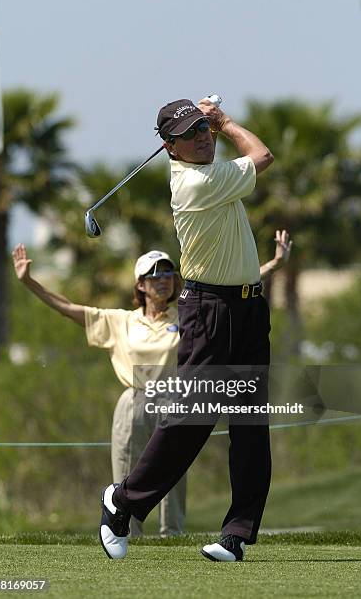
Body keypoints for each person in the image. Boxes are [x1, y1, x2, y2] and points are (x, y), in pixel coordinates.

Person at [99, 97, 278, 562]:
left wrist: (212, 122)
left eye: (204, 128)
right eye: (190, 133)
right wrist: (226, 122)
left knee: (250, 428)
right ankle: (123, 501)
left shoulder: (211, 172)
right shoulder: (195, 183)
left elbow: (241, 156)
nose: (202, 137)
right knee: (192, 418)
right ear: (169, 147)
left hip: (249, 310)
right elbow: (263, 156)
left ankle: (236, 535)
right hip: (210, 311)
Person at [12, 245, 185, 537]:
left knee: (174, 471)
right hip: (135, 400)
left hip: (174, 399)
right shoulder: (121, 321)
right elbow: (68, 309)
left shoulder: (185, 316)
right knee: (128, 471)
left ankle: (173, 534)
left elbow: (226, 298)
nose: (163, 278)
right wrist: (29, 282)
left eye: (168, 272)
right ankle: (128, 533)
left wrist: (270, 268)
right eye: (154, 274)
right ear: (140, 285)